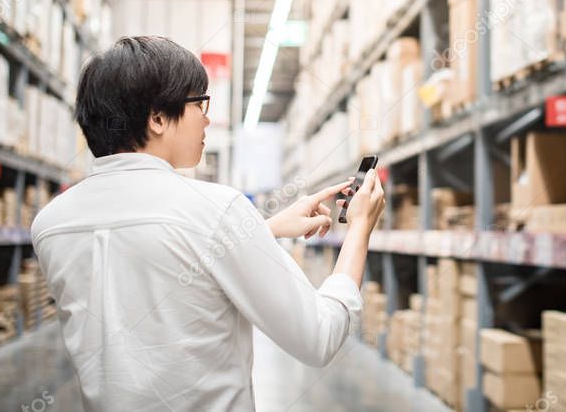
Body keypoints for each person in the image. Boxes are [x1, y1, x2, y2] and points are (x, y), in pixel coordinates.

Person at [31, 36, 385, 411]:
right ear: (157, 118)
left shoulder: (52, 223)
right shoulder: (217, 209)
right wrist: (359, 228)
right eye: (200, 102)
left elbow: (159, 261)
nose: (207, 118)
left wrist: (263, 229)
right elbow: (319, 336)